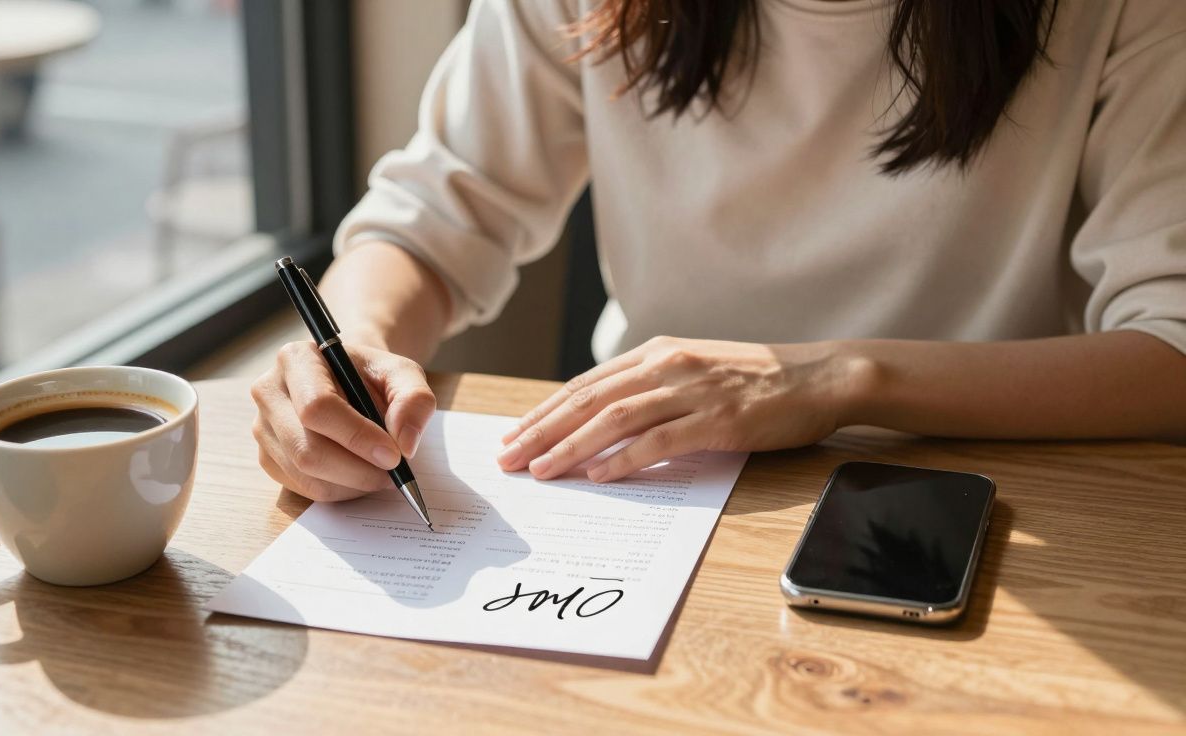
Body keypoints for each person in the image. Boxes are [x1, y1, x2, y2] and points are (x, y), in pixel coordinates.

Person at [251, 0, 1186, 502]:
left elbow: (1171, 349)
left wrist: (839, 380)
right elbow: (433, 218)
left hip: (994, 491)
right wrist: (354, 346)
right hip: (647, 480)